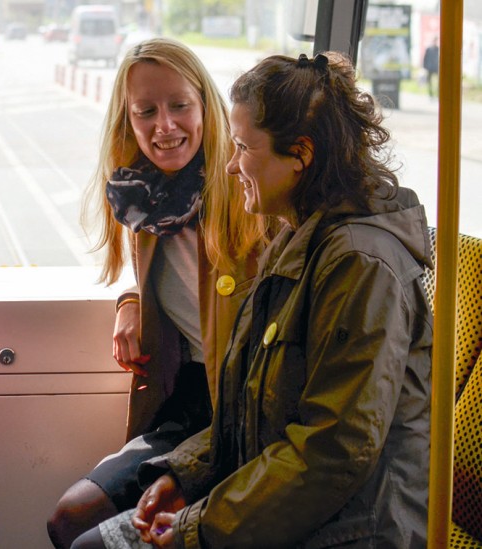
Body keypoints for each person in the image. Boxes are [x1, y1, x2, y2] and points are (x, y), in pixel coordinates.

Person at [89, 51, 432, 549]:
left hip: (351, 530)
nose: (229, 165)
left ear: (301, 155)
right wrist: (185, 476)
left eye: (244, 147)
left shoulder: (360, 265)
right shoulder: (296, 242)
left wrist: (195, 529)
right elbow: (247, 401)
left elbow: (332, 453)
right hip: (290, 505)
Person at [47, 38, 268, 549]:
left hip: (247, 413)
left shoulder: (251, 194)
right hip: (188, 402)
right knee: (69, 519)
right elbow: (184, 284)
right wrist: (131, 303)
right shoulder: (145, 203)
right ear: (128, 122)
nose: (164, 126)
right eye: (146, 111)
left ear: (206, 109)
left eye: (179, 106)